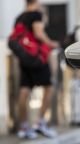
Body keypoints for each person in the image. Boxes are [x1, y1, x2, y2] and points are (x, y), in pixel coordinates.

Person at [15, 0, 59, 139]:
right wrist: (52, 43)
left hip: (24, 58)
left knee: (25, 90)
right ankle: (39, 123)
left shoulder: (19, 17)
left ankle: (23, 127)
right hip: (38, 57)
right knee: (49, 88)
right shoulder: (36, 15)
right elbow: (39, 33)